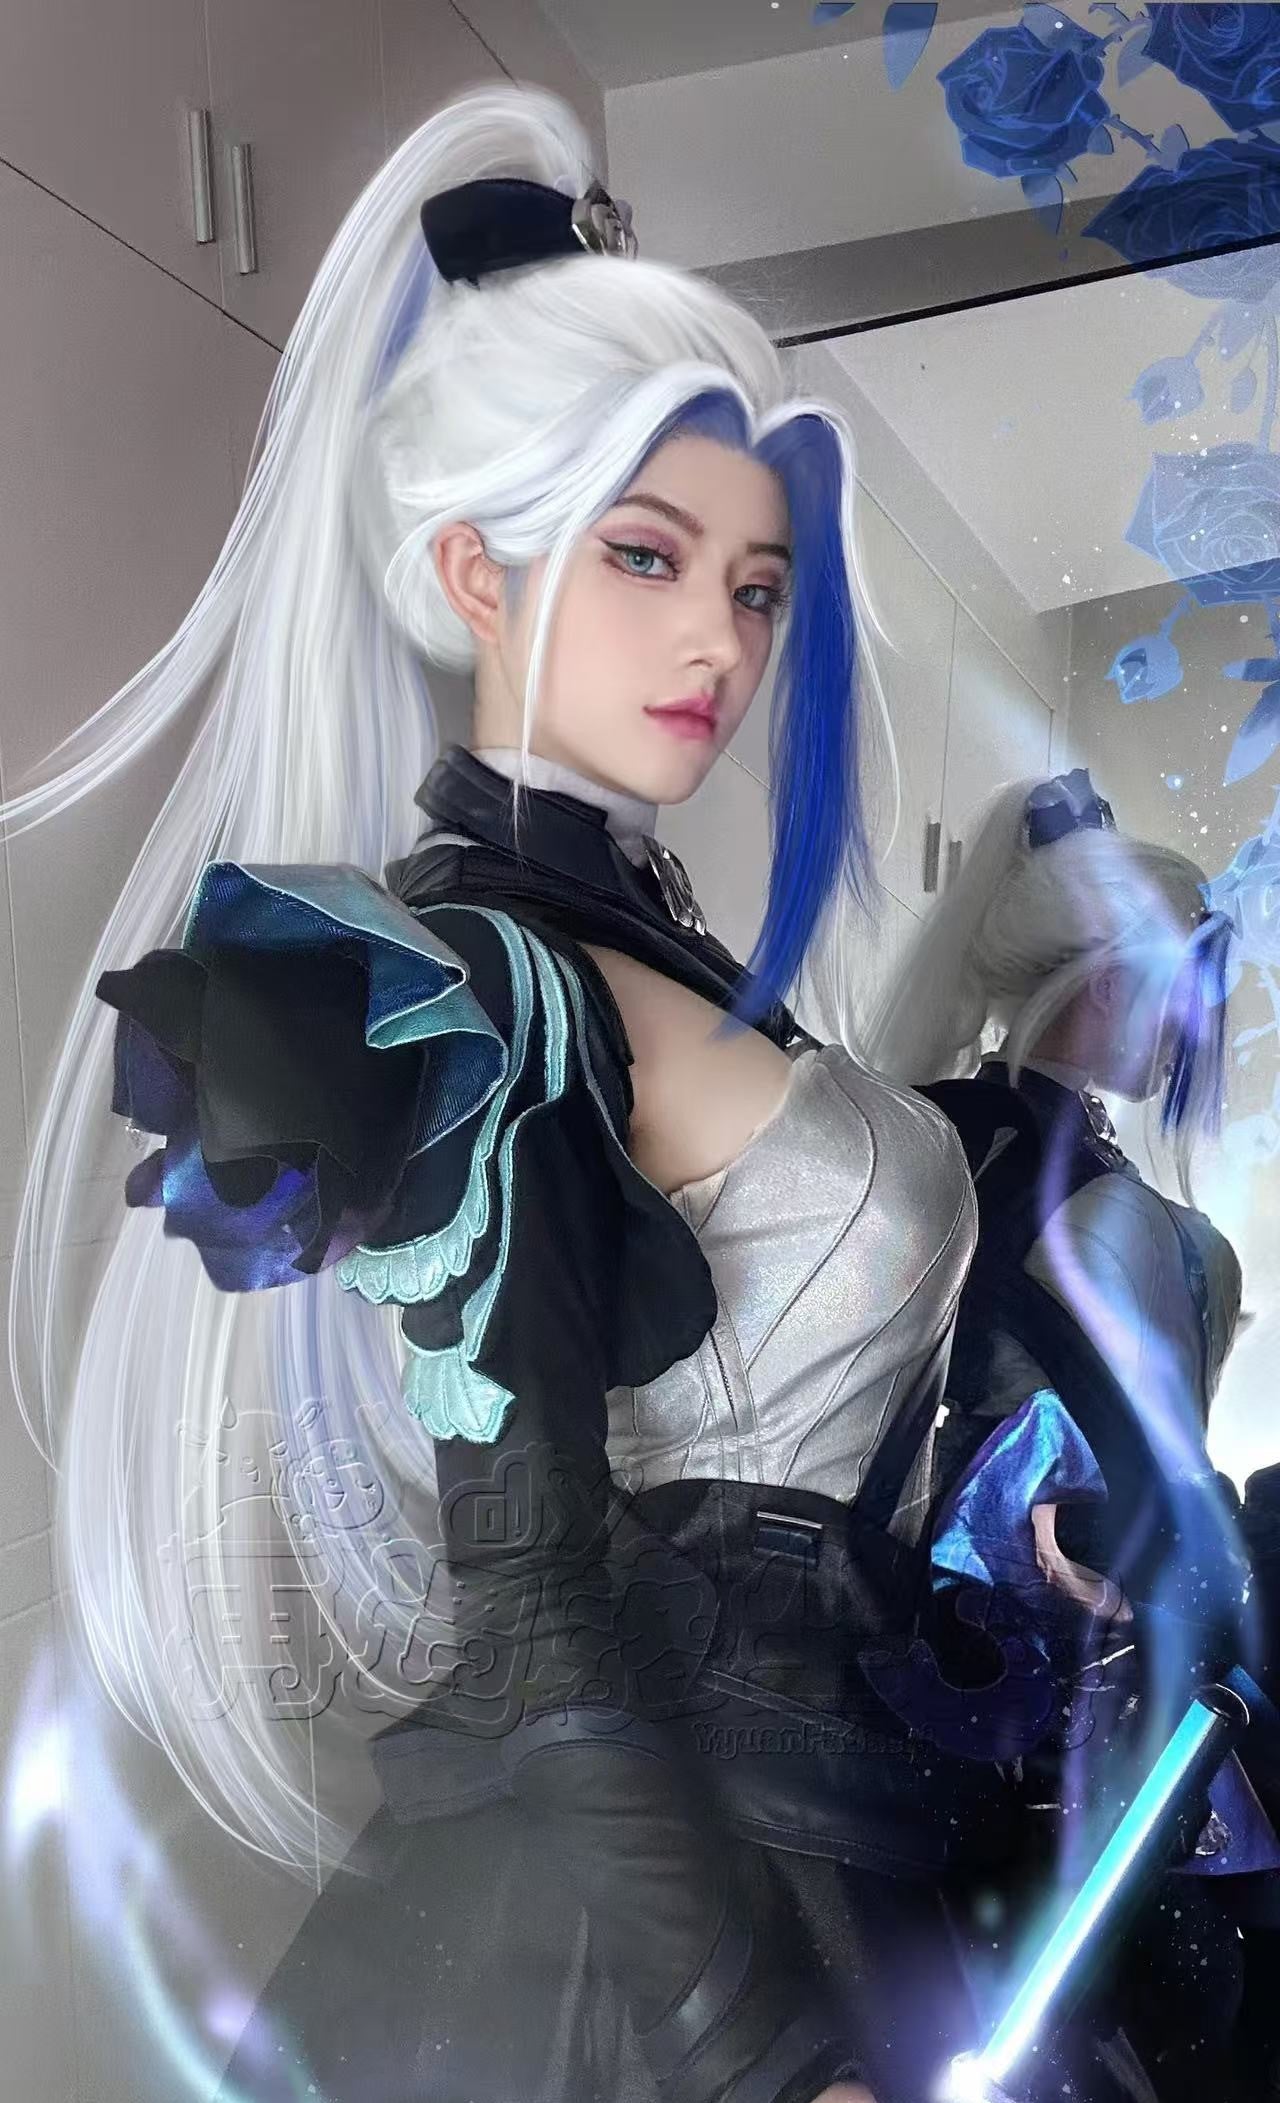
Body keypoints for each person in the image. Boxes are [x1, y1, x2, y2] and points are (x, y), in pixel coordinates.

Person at [2, 81, 1012, 2103]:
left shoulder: (664, 959)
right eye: (645, 556)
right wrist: (757, 2057)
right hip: (650, 1939)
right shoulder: (473, 989)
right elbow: (536, 1610)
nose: (718, 639)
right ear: (474, 571)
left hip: (827, 1824)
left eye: (756, 585)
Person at [868, 770, 1279, 2101]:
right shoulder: (1018, 1164)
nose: (1191, 1027)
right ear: (1103, 983)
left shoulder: (976, 1143)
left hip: (1033, 1651)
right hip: (1038, 1668)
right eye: (1177, 989)